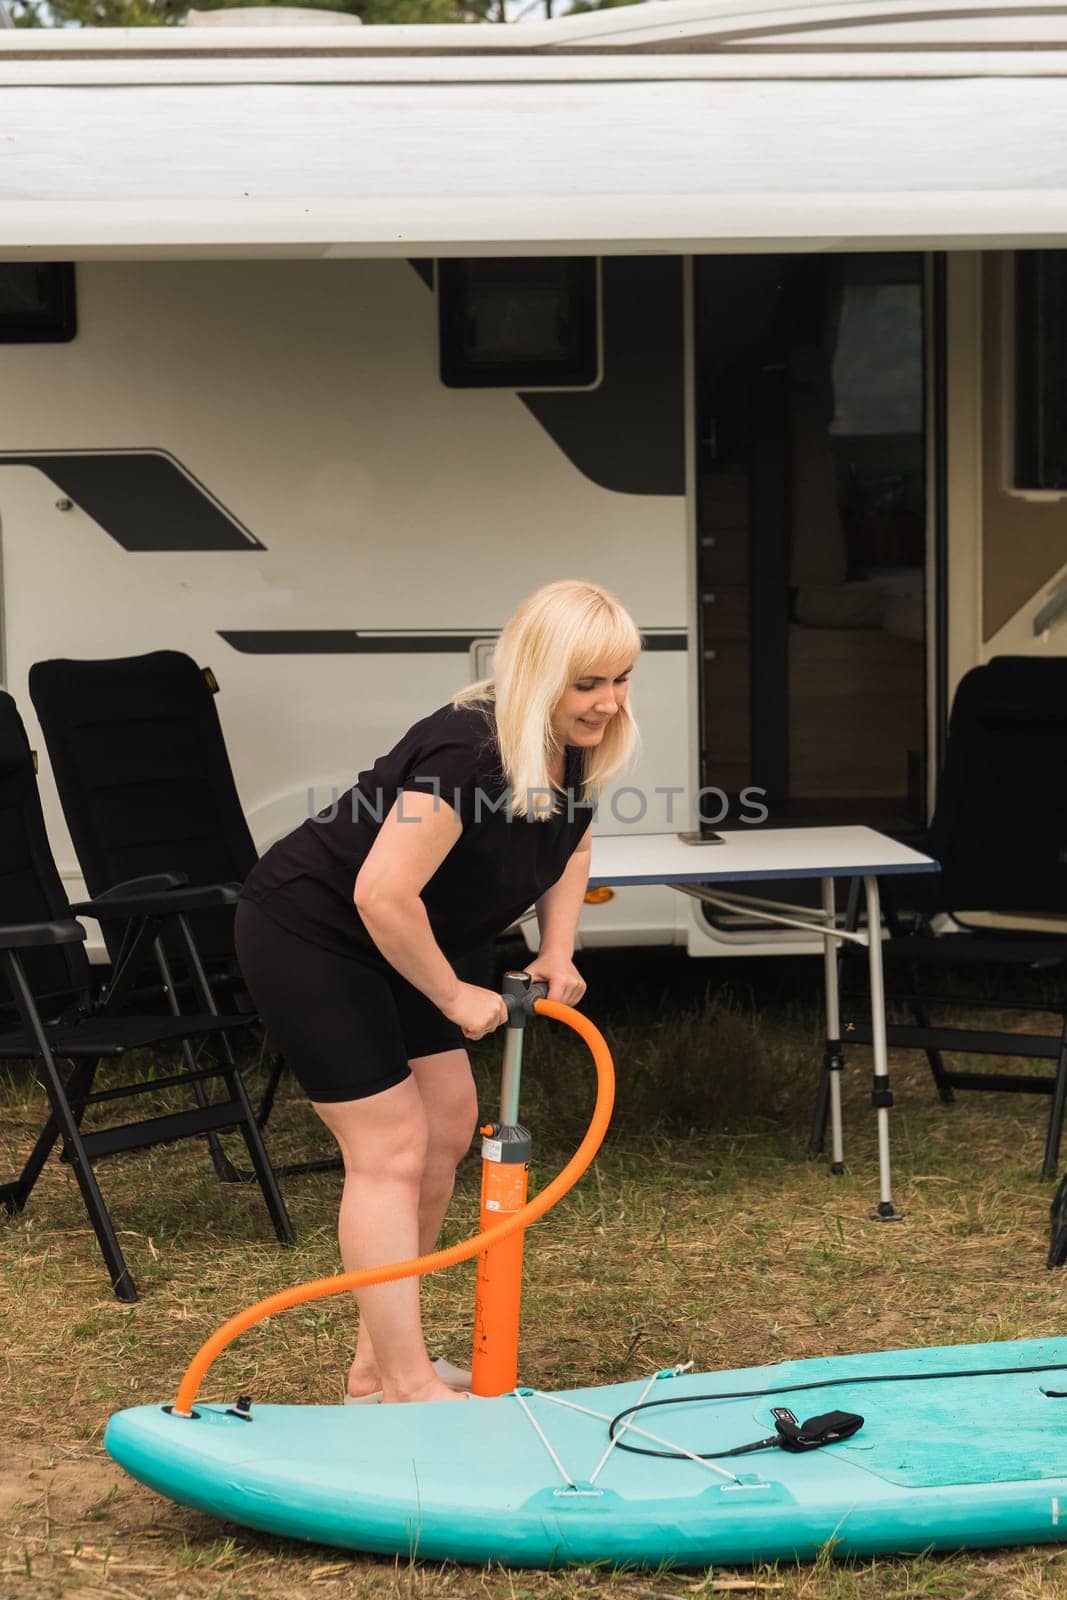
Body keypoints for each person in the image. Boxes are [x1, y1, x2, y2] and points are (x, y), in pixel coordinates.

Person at [235, 578, 642, 1404]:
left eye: (621, 678)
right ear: (537, 670)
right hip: (317, 932)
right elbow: (381, 894)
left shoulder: (577, 741)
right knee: (387, 1149)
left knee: (448, 1124)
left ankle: (375, 1369)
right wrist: (457, 998)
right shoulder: (466, 751)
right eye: (587, 682)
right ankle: (406, 1384)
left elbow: (569, 844)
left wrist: (556, 948)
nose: (607, 702)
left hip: (412, 940)